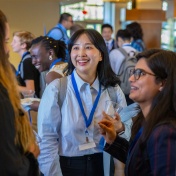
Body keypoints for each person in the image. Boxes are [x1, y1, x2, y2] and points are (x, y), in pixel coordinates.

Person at [37, 29, 132, 176]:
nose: (81, 53)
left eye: (88, 47)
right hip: (67, 167)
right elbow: (47, 141)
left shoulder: (112, 90)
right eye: (76, 48)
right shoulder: (57, 89)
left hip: (105, 165)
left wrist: (120, 129)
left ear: (101, 54)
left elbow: (126, 132)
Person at [99, 49, 176, 175]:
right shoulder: (147, 120)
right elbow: (140, 162)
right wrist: (113, 140)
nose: (130, 78)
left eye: (140, 73)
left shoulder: (165, 132)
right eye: (133, 72)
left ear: (162, 82)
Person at [0, 9, 40, 175]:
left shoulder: (26, 62)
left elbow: (30, 90)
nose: (9, 47)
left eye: (12, 41)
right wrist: (31, 158)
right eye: (7, 41)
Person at [30, 36, 68, 111]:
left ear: (50, 53)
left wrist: (31, 105)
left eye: (35, 56)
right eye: (32, 57)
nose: (33, 62)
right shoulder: (64, 65)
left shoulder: (52, 75)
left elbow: (54, 108)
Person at [109, 29, 137, 105]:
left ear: (119, 39)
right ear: (131, 39)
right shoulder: (138, 53)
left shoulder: (114, 53)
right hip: (135, 88)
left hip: (120, 88)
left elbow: (110, 73)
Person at [11, 31, 40, 98]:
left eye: (14, 41)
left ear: (23, 45)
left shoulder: (27, 62)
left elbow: (30, 90)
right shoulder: (26, 60)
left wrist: (11, 86)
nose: (11, 44)